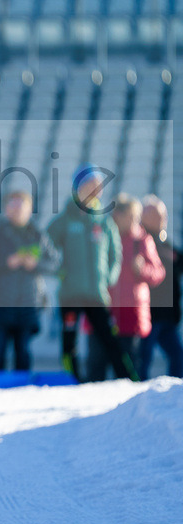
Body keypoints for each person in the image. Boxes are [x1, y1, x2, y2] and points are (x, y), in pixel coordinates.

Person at [47, 163, 136, 381]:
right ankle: (73, 381)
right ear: (77, 187)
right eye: (89, 184)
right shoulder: (65, 220)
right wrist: (59, 271)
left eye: (97, 185)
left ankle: (128, 380)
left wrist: (108, 278)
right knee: (69, 341)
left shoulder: (105, 221)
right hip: (70, 293)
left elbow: (116, 254)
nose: (94, 189)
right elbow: (44, 248)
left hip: (97, 293)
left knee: (109, 338)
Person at [0, 190, 60, 375]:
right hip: (0, 303)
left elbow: (54, 264)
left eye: (21, 206)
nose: (17, 210)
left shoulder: (38, 235)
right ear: (6, 209)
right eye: (12, 206)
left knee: (23, 352)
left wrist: (35, 264)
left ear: (30, 210)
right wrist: (6, 262)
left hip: (28, 303)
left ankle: (22, 392)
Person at [87, 194, 164, 381]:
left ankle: (130, 407)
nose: (133, 221)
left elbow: (158, 273)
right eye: (128, 216)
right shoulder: (101, 236)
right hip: (103, 309)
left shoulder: (142, 240)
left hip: (131, 313)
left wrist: (142, 269)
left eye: (135, 217)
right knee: (97, 364)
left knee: (129, 367)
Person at [138, 196, 183, 378]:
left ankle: (172, 392)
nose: (161, 219)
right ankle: (137, 394)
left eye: (162, 215)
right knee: (143, 358)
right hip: (149, 314)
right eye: (157, 215)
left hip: (168, 315)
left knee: (177, 356)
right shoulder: (140, 241)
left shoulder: (166, 244)